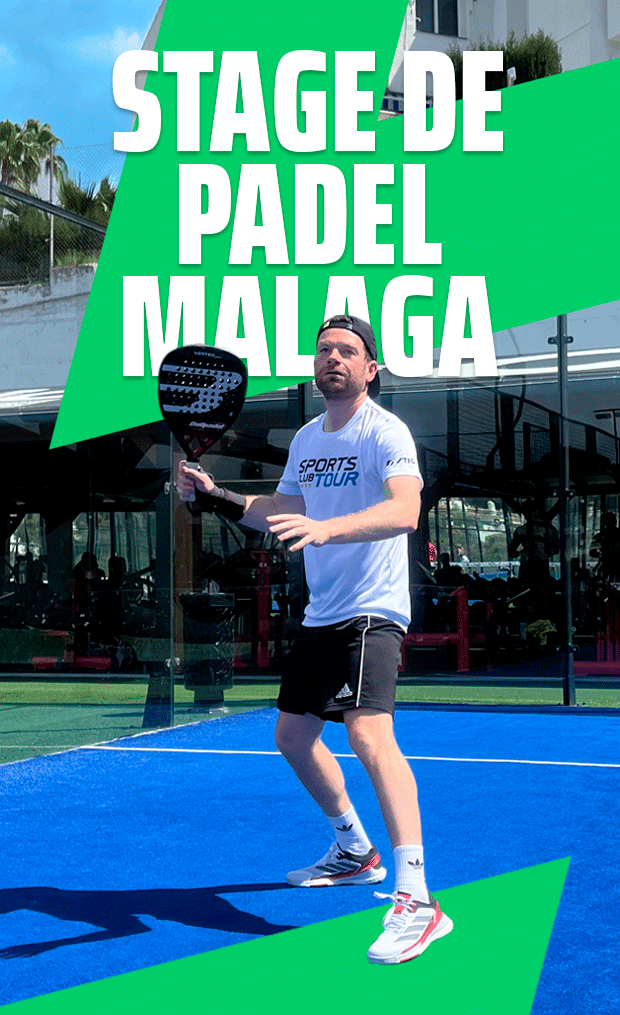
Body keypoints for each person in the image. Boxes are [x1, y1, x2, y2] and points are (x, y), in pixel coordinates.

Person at [177, 314, 453, 965]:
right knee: (293, 735)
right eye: (324, 349)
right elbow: (283, 511)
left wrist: (329, 530)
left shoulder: (386, 431)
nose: (333, 357)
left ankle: (419, 898)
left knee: (367, 733)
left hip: (373, 611)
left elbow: (405, 509)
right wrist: (217, 496)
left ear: (370, 368)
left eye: (347, 350)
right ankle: (355, 849)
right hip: (322, 614)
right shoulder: (306, 438)